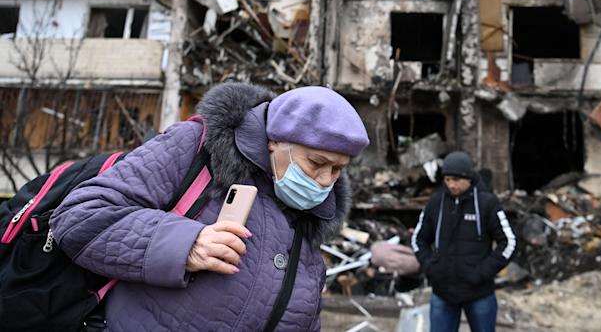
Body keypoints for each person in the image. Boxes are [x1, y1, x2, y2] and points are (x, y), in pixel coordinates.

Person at [50, 83, 369, 331]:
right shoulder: (195, 147)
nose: (326, 180)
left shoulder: (312, 221)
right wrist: (185, 245)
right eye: (316, 162)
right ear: (276, 141)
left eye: (338, 169)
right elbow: (79, 217)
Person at [411, 151, 516, 332]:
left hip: (479, 293)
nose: (451, 185)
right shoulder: (435, 203)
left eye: (457, 180)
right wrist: (430, 267)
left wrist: (483, 272)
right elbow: (418, 239)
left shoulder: (487, 203)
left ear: (469, 178)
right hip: (443, 292)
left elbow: (509, 242)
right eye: (447, 179)